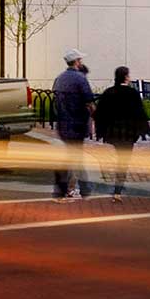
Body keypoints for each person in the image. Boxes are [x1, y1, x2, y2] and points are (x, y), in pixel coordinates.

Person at [95, 65, 150, 199]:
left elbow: (100, 113)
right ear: (126, 77)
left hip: (114, 133)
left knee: (120, 158)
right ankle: (118, 190)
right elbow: (140, 113)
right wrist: (145, 130)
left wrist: (101, 130)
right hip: (128, 133)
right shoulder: (132, 93)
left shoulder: (109, 92)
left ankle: (118, 187)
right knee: (123, 161)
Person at [50, 49, 95, 201]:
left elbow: (54, 100)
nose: (81, 63)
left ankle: (81, 189)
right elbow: (89, 101)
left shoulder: (59, 79)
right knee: (74, 157)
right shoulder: (80, 79)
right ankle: (71, 190)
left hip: (63, 124)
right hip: (78, 123)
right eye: (80, 60)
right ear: (76, 62)